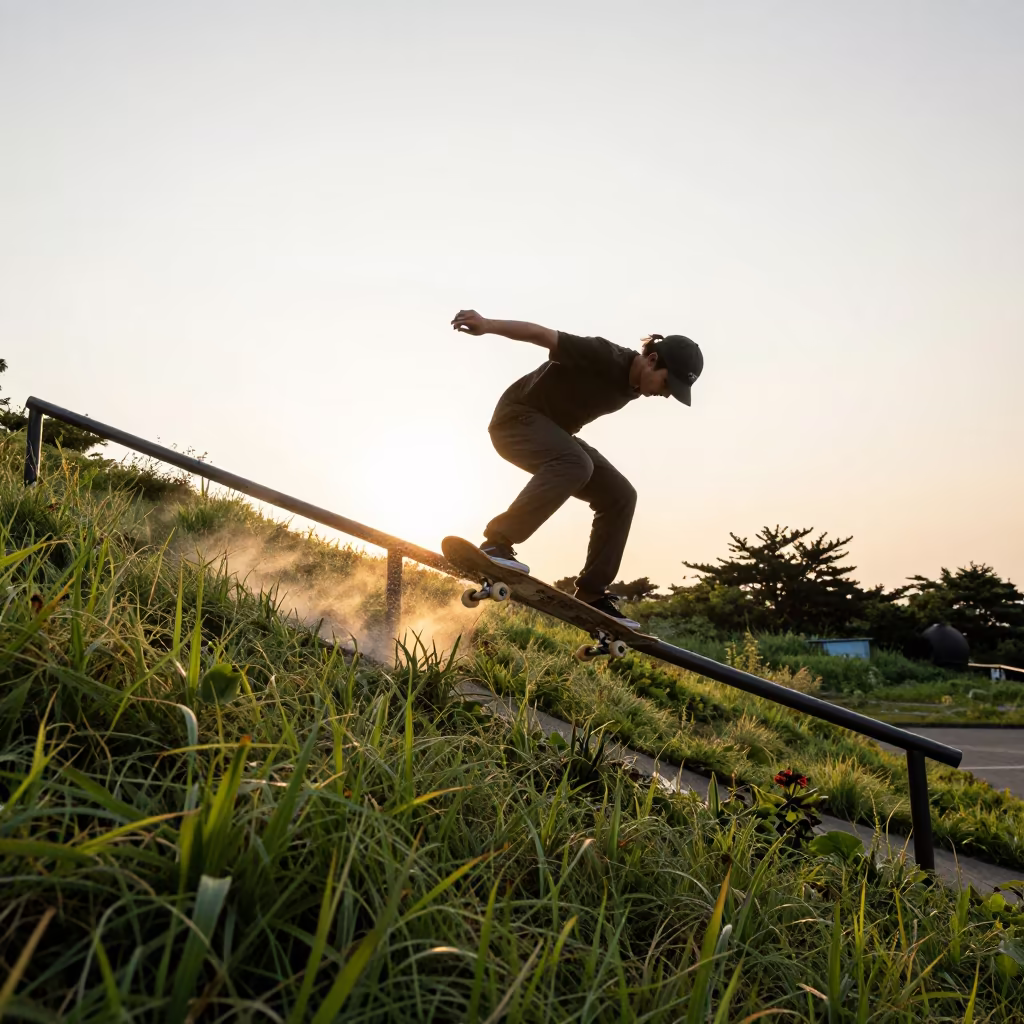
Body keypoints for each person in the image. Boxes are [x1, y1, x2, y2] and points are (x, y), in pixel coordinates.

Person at [451, 309, 703, 628]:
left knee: (620, 495)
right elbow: (541, 334)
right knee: (576, 463)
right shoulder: (606, 356)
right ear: (651, 360)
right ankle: (497, 543)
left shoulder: (637, 385)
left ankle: (592, 593)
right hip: (514, 420)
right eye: (667, 383)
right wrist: (487, 325)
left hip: (552, 433)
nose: (665, 394)